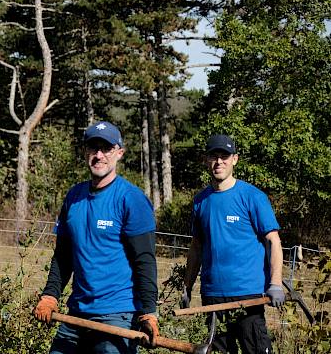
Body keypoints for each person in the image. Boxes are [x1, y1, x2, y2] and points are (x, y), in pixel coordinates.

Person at [33, 121, 159, 353]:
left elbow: (144, 259)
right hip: (77, 312)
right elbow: (63, 256)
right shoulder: (74, 197)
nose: (99, 155)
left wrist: (149, 312)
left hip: (117, 315)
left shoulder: (131, 199)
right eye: (93, 148)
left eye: (106, 149)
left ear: (119, 153)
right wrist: (50, 295)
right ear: (85, 152)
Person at [181, 134, 284, 353]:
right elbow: (197, 247)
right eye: (214, 156)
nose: (219, 162)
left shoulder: (252, 196)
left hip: (247, 296)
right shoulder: (201, 200)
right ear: (205, 160)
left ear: (235, 159)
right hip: (212, 296)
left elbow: (273, 241)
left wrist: (275, 284)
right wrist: (186, 287)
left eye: (225, 156)